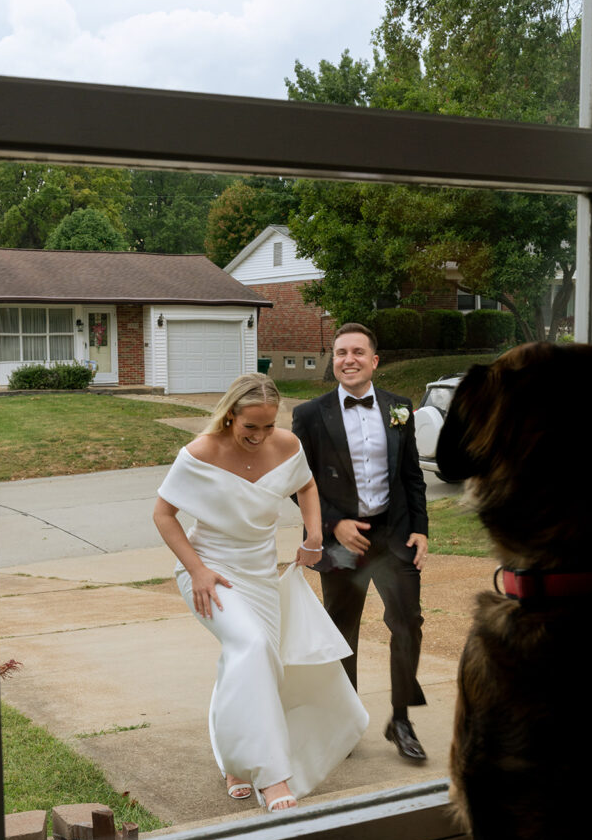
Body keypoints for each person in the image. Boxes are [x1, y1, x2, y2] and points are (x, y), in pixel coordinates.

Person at [154, 373, 368, 812]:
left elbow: (306, 485)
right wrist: (196, 570)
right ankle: (273, 777)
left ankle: (237, 760)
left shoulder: (286, 445)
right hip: (210, 571)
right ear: (230, 414)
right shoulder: (200, 453)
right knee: (250, 646)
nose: (259, 435)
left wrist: (313, 536)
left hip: (260, 575)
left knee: (258, 664)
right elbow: (163, 515)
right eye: (250, 426)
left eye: (268, 426)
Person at [292, 323, 429, 761]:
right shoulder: (310, 414)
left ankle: (401, 719)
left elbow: (412, 475)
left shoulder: (399, 408)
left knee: (408, 626)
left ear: (374, 360)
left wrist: (421, 528)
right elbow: (299, 483)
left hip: (393, 536)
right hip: (340, 543)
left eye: (356, 352)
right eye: (339, 353)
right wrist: (333, 525)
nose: (347, 359)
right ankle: (346, 722)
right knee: (341, 633)